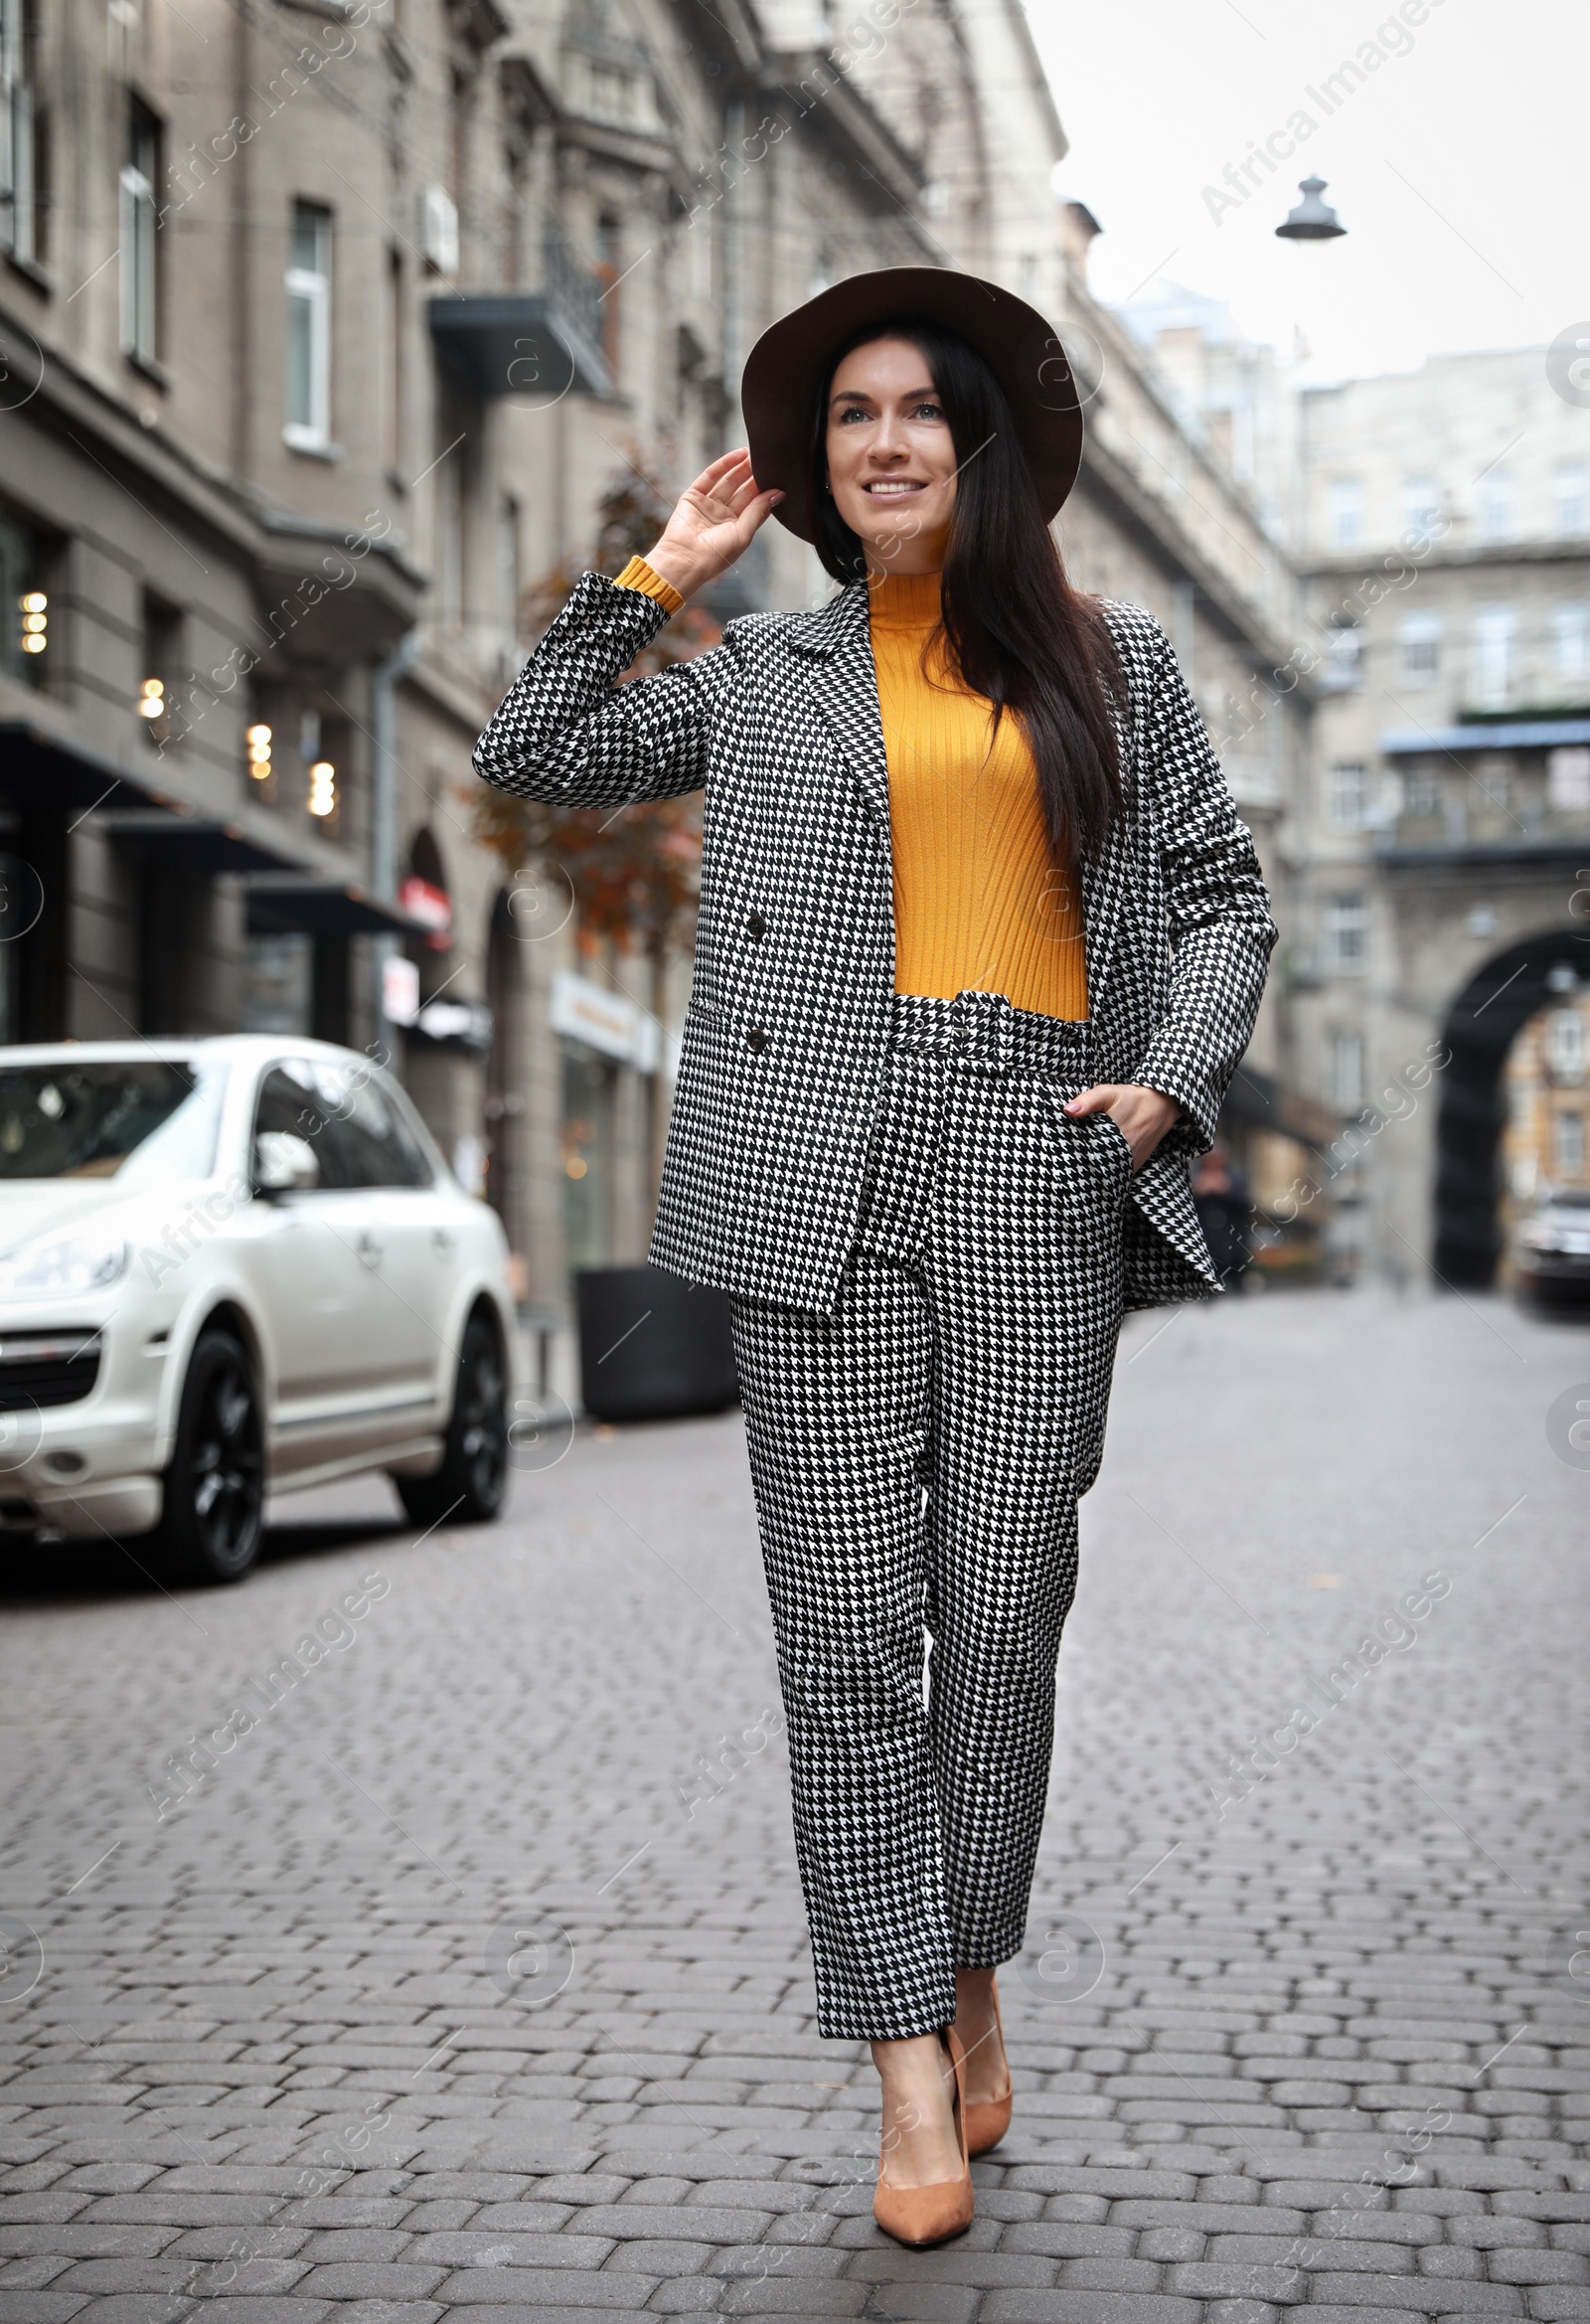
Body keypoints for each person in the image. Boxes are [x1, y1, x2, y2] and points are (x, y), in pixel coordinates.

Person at [474, 267, 1276, 2247]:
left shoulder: (1116, 663)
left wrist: (1161, 1087)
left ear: (977, 445)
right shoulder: (757, 677)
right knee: (845, 1649)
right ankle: (906, 2057)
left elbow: (1214, 901)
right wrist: (662, 563)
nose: (887, 438)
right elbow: (527, 744)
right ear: (814, 462)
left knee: (995, 1617)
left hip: (1035, 1149)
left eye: (919, 407)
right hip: (804, 1162)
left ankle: (965, 1946)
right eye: (849, 415)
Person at [1191, 1143, 1254, 1289]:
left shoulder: (1235, 1178)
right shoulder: (1195, 1177)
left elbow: (1246, 1205)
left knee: (1237, 1286)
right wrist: (1198, 1191)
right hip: (1204, 1243)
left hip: (1232, 1242)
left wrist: (1227, 1189)